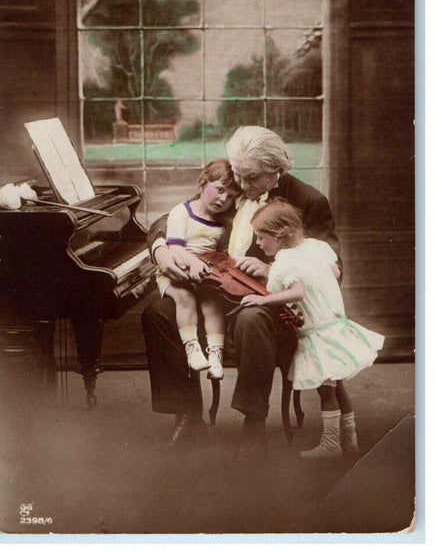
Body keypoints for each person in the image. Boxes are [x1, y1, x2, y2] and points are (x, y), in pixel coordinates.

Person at [142, 125, 342, 459]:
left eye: (252, 179)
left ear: (277, 171)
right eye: (237, 176)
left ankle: (254, 425)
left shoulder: (308, 201)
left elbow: (331, 268)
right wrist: (161, 248)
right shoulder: (234, 185)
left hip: (271, 305)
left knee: (252, 320)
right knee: (158, 313)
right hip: (216, 294)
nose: (242, 187)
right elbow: (172, 217)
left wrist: (272, 270)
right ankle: (187, 415)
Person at [240, 198, 384, 459]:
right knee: (338, 387)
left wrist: (262, 299)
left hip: (318, 333)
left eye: (262, 238)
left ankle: (331, 445)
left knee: (326, 391)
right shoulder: (319, 247)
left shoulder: (285, 260)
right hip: (336, 324)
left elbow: (296, 292)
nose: (259, 244)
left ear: (281, 234)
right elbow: (335, 272)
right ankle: (349, 441)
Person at [156, 159, 240, 379]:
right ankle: (192, 348)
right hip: (176, 269)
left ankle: (215, 355)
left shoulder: (222, 224)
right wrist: (192, 262)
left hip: (204, 273)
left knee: (213, 302)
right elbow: (174, 247)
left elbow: (220, 254)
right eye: (220, 190)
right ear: (203, 183)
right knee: (185, 297)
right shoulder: (181, 212)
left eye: (231, 196)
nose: (224, 199)